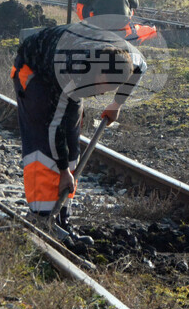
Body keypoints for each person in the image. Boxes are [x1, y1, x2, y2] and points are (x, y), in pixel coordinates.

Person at [11, 23, 146, 232]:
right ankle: (41, 216)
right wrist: (64, 170)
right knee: (43, 143)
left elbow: (140, 70)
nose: (101, 94)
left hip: (70, 59)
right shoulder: (70, 70)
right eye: (103, 88)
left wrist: (116, 104)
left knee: (72, 140)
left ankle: (62, 215)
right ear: (96, 73)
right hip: (34, 70)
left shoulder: (132, 58)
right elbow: (54, 125)